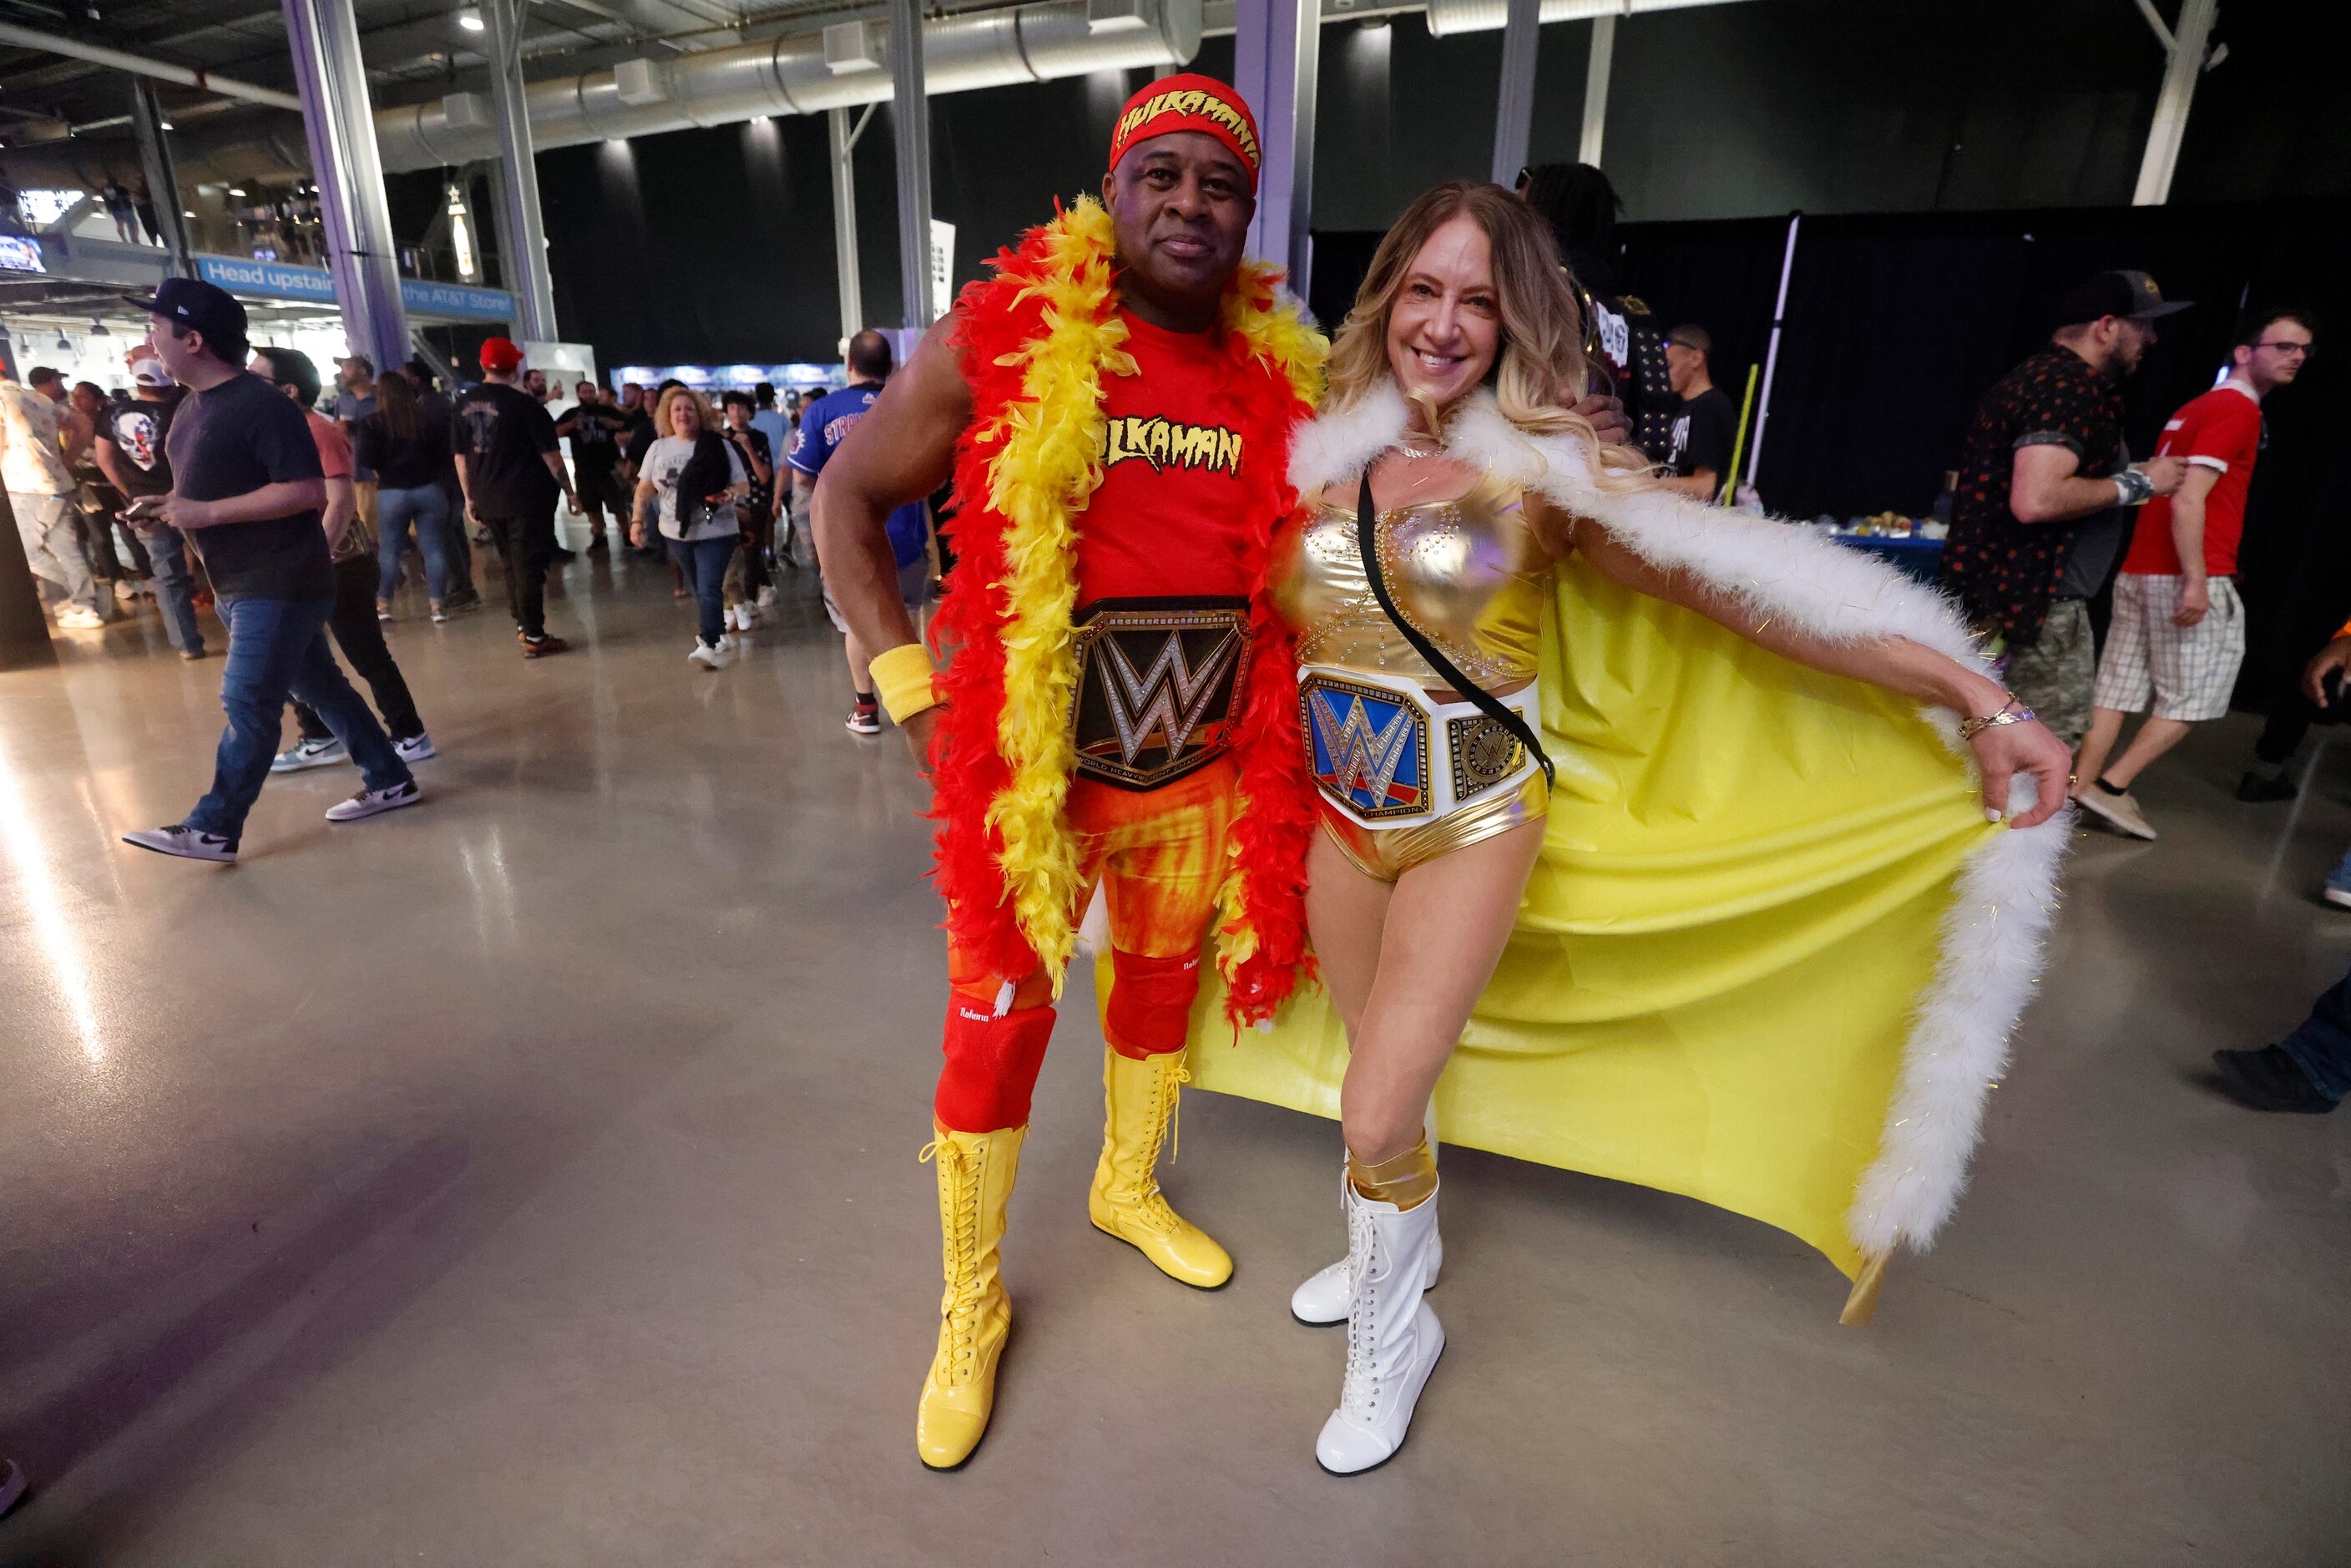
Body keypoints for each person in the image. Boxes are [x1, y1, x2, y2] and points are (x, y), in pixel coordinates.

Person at [817, 75, 1638, 1473]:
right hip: (1034, 785)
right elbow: (843, 492)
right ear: (1116, 188)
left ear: (1251, 212)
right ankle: (970, 1302)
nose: (1190, 205)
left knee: (1155, 996)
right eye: (1165, 176)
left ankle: (1127, 1185)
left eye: (1221, 186)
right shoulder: (1006, 332)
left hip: (1204, 771)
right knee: (997, 1025)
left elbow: (1423, 469)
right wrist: (907, 689)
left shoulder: (1292, 372)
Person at [1224, 180, 2072, 1474]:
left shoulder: (1546, 475)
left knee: (1377, 1110)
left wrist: (1977, 691)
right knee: (1376, 1082)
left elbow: (1754, 593)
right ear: (1390, 295)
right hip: (1343, 825)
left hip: (1471, 818)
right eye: (1426, 290)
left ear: (1519, 322)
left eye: (1481, 300)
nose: (1446, 323)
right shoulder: (1325, 450)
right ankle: (1410, 1239)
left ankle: (1399, 1341)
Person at [114, 278, 419, 863]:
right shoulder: (191, 408)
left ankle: (213, 827)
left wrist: (200, 511)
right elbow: (201, 490)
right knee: (324, 689)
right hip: (236, 580)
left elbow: (305, 491)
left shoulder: (263, 405)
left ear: (194, 339)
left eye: (156, 329)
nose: (148, 340)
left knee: (248, 702)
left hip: (279, 580)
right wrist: (169, 512)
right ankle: (390, 777)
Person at [2072, 309, 2317, 839]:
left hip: (2139, 570)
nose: (2296, 356)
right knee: (2196, 699)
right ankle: (2110, 788)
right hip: (2182, 573)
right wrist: (2198, 578)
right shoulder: (2237, 411)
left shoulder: (2193, 407)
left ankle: (2071, 791)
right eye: (2284, 346)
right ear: (2245, 353)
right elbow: (2189, 500)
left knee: (2114, 691)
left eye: (2303, 350)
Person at [1936, 271, 2192, 751]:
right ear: (2107, 326)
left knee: (1975, 743)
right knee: (2037, 755)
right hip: (2034, 610)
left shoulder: (2038, 379)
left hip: (2006, 600)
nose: (2153, 338)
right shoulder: (2069, 388)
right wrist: (2139, 483)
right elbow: (2036, 499)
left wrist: (2126, 478)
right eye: (2144, 325)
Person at [250, 346, 434, 771]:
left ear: (289, 390)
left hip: (340, 566)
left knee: (365, 652)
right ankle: (319, 735)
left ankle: (410, 734)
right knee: (301, 656)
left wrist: (314, 559)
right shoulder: (285, 431)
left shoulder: (317, 431)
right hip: (306, 565)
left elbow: (341, 502)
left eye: (257, 379)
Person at [791, 332, 937, 734]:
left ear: (849, 366)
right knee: (905, 619)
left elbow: (802, 479)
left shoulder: (822, 411)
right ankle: (918, 708)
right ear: (889, 367)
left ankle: (866, 707)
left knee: (858, 623)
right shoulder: (911, 407)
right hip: (906, 536)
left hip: (847, 540)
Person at [1516, 161, 1680, 462]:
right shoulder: (1632, 313)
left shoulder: (1542, 294)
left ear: (1541, 215)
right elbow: (1655, 431)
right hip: (1615, 472)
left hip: (1544, 469)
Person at [455, 337, 580, 659]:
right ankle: (535, 636)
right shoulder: (525, 405)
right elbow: (551, 456)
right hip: (526, 498)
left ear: (483, 366)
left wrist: (470, 498)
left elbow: (460, 457)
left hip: (487, 497)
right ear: (514, 368)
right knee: (529, 566)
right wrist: (570, 492)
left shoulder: (462, 404)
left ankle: (524, 626)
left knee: (511, 563)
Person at [94, 355, 204, 656]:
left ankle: (186, 645)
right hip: (188, 500)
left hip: (145, 507)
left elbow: (104, 458)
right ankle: (243, 635)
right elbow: (196, 459)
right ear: (170, 384)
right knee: (219, 568)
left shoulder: (111, 415)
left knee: (167, 576)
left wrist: (129, 491)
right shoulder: (183, 412)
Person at [632, 386, 748, 669]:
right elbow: (645, 489)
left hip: (717, 530)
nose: (683, 414)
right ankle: (721, 634)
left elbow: (743, 484)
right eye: (677, 409)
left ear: (700, 414)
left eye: (689, 409)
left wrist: (729, 495)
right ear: (667, 416)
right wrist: (636, 521)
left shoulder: (718, 445)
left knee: (709, 587)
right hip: (675, 532)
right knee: (701, 589)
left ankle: (709, 644)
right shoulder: (658, 448)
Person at [0, 357, 105, 629]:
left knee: (28, 553)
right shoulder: (38, 399)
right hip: (59, 485)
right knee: (67, 549)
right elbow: (83, 425)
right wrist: (66, 462)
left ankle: (86, 595)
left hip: (25, 487)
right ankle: (85, 606)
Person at [357, 368, 459, 620]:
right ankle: (437, 607)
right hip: (429, 490)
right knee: (433, 549)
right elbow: (441, 454)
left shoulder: (372, 423)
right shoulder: (424, 421)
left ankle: (384, 607)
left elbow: (366, 460)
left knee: (389, 551)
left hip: (392, 492)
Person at [68, 377, 151, 600]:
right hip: (89, 486)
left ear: (97, 399)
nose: (76, 400)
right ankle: (118, 580)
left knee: (129, 530)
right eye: (75, 395)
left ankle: (148, 575)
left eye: (83, 395)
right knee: (101, 537)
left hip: (114, 483)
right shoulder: (70, 423)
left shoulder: (109, 419)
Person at [1656, 323, 1735, 502]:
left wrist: (1646, 483)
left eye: (1669, 366)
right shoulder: (1682, 408)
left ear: (1696, 358)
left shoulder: (1711, 406)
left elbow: (1705, 487)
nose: (1665, 374)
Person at [717, 391, 775, 630]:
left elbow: (763, 476)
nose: (737, 413)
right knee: (735, 555)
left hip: (756, 501)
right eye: (732, 408)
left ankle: (749, 599)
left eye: (742, 408)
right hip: (730, 501)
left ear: (750, 411)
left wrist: (748, 447)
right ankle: (762, 588)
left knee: (752, 550)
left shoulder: (758, 437)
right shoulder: (721, 440)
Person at [554, 380, 629, 552]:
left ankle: (627, 534)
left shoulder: (607, 411)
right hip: (584, 468)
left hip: (609, 467)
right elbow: (555, 432)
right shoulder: (572, 414)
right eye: (584, 392)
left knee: (618, 504)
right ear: (578, 394)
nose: (588, 395)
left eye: (591, 391)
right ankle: (598, 535)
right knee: (590, 505)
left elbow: (627, 425)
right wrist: (572, 425)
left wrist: (613, 424)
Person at [333, 354, 381, 550]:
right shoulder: (342, 401)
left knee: (406, 527)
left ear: (362, 371)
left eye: (347, 367)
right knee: (370, 527)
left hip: (387, 472)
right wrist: (341, 428)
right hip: (359, 474)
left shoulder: (382, 397)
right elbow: (337, 429)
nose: (342, 373)